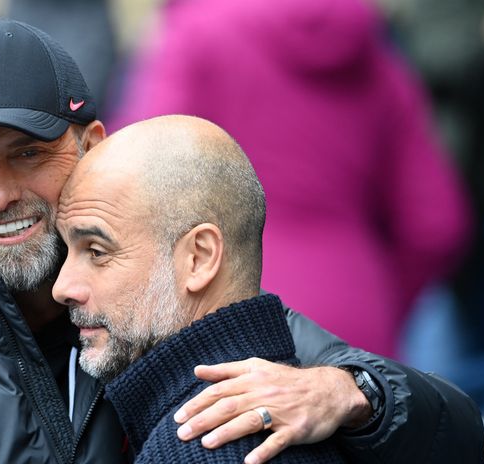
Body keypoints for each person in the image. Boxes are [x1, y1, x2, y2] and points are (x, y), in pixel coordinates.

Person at [0, 18, 484, 463]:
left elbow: (457, 433)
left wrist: (349, 394)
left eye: (27, 154)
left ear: (92, 145)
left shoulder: (167, 302)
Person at [109, 0, 471, 359]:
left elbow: (133, 175)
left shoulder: (196, 35)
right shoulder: (377, 54)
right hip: (356, 317)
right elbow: (436, 224)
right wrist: (378, 294)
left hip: (226, 311)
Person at [52, 114, 348, 463]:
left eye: (97, 252)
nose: (62, 287)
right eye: (68, 250)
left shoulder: (201, 443)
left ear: (199, 258)